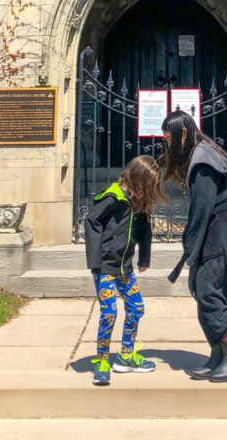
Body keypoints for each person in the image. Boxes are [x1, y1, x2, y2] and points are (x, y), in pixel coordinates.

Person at [163, 110, 227, 383]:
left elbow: (202, 209)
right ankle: (219, 354)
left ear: (182, 134)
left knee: (208, 291)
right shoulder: (200, 155)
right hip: (216, 231)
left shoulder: (203, 162)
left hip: (219, 233)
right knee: (203, 289)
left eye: (169, 140)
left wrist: (190, 244)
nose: (167, 146)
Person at [84, 153, 167, 386]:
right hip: (106, 269)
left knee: (136, 308)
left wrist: (145, 258)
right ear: (135, 181)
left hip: (125, 268)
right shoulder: (114, 197)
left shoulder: (139, 203)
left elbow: (144, 231)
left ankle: (126, 356)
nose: (149, 192)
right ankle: (101, 361)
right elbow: (91, 221)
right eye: (146, 186)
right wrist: (95, 262)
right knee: (109, 313)